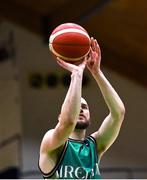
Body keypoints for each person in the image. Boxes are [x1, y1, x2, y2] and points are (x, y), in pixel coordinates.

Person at [39, 37, 125, 179]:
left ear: (90, 115)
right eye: (76, 106)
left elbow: (118, 113)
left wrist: (97, 73)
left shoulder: (95, 146)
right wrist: (77, 74)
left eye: (84, 107)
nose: (80, 109)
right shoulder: (52, 143)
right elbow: (68, 123)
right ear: (60, 117)